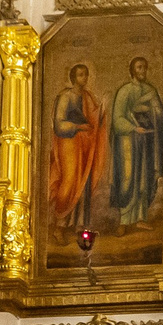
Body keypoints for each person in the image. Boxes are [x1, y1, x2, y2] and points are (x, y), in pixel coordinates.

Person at [107, 56, 163, 231]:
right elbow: (118, 119)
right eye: (139, 68)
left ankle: (141, 217)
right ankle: (124, 220)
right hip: (127, 142)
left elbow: (160, 115)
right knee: (128, 178)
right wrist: (134, 127)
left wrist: (151, 112)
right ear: (132, 70)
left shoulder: (151, 90)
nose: (142, 71)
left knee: (144, 178)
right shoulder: (125, 91)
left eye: (144, 68)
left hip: (146, 140)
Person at [48, 62, 106, 236]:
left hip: (85, 145)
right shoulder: (65, 97)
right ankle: (60, 222)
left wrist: (103, 108)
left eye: (86, 74)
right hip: (69, 144)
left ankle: (79, 223)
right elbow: (59, 125)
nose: (84, 78)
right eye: (81, 74)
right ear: (73, 77)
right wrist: (79, 127)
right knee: (70, 180)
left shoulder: (88, 96)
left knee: (84, 182)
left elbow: (94, 120)